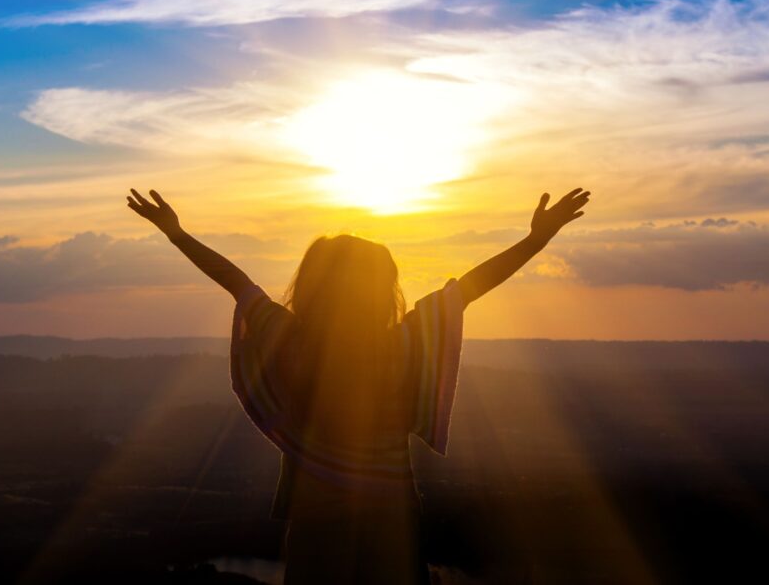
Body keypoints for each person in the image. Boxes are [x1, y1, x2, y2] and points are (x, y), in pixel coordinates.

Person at [126, 186, 591, 584]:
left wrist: (177, 233)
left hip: (315, 519)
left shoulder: (289, 341)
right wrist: (535, 240)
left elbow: (237, 281)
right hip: (391, 516)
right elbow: (470, 287)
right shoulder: (402, 345)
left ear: (313, 287)